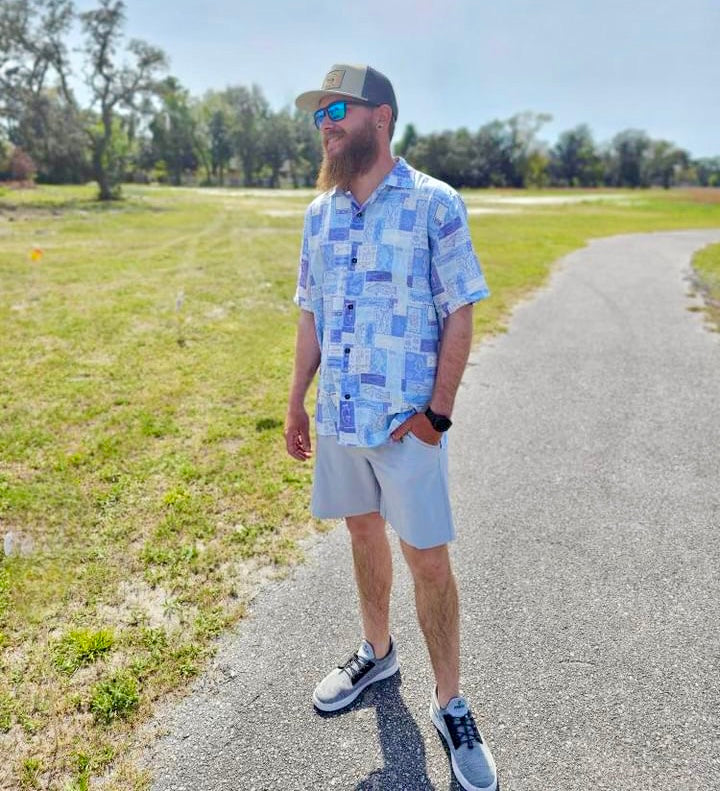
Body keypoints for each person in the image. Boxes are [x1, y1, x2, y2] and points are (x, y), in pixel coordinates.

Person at [285, 63, 498, 791]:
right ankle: (378, 651)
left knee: (429, 560)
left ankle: (451, 702)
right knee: (360, 531)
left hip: (407, 427)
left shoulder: (435, 203)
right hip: (341, 415)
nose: (326, 123)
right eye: (319, 113)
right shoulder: (320, 214)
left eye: (337, 108)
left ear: (381, 117)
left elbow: (461, 306)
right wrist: (296, 401)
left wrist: (438, 413)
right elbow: (310, 312)